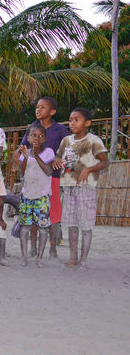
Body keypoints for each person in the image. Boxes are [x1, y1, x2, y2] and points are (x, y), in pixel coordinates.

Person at [53, 108, 109, 271]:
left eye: (76, 119)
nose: (72, 123)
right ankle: (73, 258)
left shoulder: (94, 141)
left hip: (85, 188)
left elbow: (105, 162)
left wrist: (88, 170)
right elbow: (59, 156)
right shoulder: (66, 141)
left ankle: (83, 260)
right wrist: (57, 161)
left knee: (85, 225)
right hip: (68, 187)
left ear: (87, 123)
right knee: (71, 224)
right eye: (70, 119)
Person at [13, 97, 69, 259]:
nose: (38, 110)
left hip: (52, 177)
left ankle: (52, 248)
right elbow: (23, 147)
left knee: (52, 213)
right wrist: (17, 154)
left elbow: (69, 147)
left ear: (53, 112)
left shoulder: (59, 129)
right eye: (37, 107)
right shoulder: (32, 127)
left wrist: (59, 156)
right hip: (32, 177)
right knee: (33, 213)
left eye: (43, 107)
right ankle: (33, 248)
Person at [18, 125, 55, 267]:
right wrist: (27, 158)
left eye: (40, 136)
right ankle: (24, 256)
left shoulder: (48, 152)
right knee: (25, 227)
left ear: (45, 138)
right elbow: (21, 174)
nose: (37, 138)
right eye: (33, 135)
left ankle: (39, 258)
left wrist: (35, 156)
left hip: (42, 196)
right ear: (28, 138)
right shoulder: (24, 153)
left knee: (42, 228)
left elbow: (48, 171)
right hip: (27, 195)